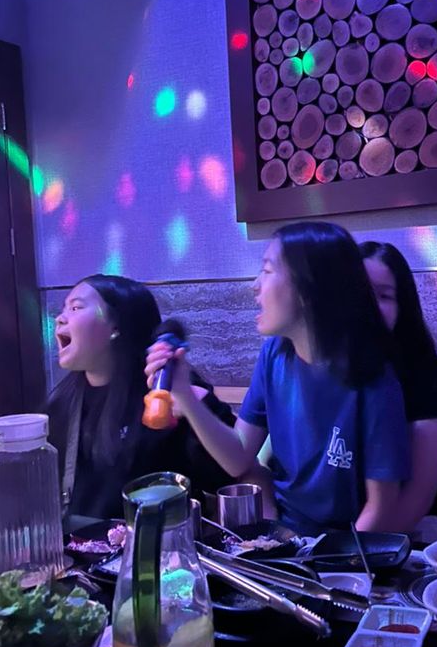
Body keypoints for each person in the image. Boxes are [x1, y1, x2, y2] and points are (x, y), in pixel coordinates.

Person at [145, 222, 410, 535]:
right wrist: (186, 398)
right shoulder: (275, 354)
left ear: (309, 287)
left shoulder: (375, 378)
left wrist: (327, 567)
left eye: (268, 271)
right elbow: (239, 457)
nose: (255, 286)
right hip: (284, 536)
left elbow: (380, 506)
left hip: (347, 548)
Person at [46, 274, 236, 519]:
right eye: (63, 309)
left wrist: (194, 403)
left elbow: (228, 476)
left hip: (161, 549)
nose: (60, 319)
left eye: (75, 307)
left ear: (115, 327)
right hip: (83, 551)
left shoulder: (166, 391)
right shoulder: (61, 404)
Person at [360, 241, 437, 530]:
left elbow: (418, 498)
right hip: (348, 530)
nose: (370, 307)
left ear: (404, 306)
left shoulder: (426, 373)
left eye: (384, 296)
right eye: (360, 294)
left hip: (420, 528)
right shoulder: (322, 369)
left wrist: (358, 557)